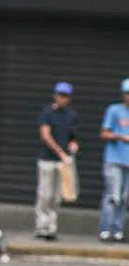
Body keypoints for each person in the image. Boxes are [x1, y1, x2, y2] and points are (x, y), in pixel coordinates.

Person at [34, 82, 79, 241]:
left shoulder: (71, 115)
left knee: (56, 197)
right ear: (55, 95)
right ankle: (41, 227)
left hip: (63, 162)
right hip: (47, 160)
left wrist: (73, 145)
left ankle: (52, 228)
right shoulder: (47, 113)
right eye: (60, 94)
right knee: (44, 194)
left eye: (65, 95)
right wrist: (60, 152)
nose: (62, 98)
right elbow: (45, 135)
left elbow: (72, 137)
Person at [99, 78, 129, 243]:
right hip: (114, 160)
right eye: (127, 93)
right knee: (113, 195)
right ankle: (106, 229)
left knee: (124, 198)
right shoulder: (114, 110)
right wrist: (119, 136)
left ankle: (118, 230)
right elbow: (104, 133)